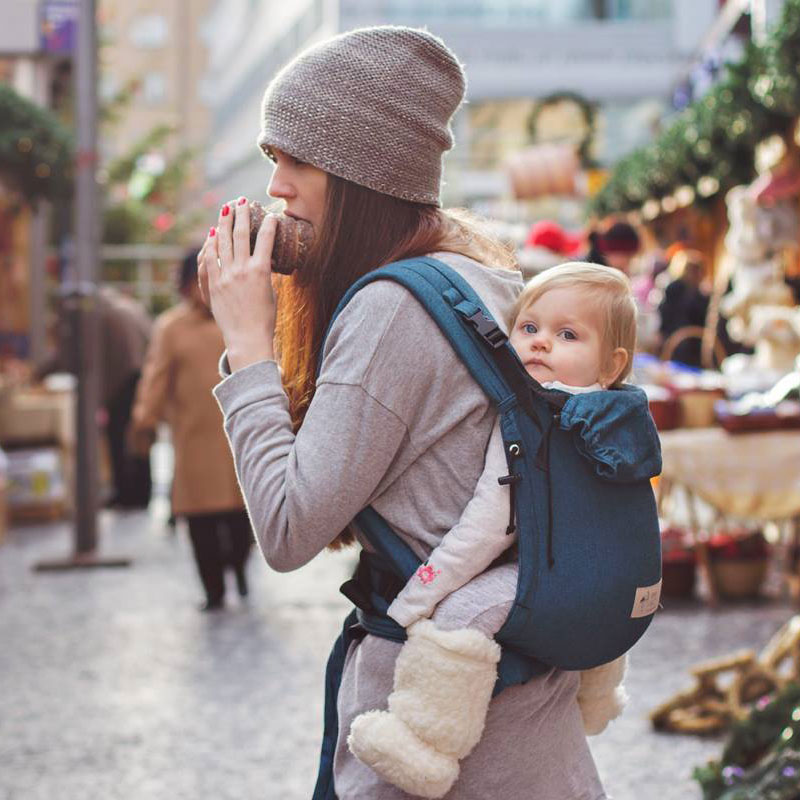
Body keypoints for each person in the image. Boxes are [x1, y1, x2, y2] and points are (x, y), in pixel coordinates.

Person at [200, 26, 608, 798]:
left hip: (449, 754)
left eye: (296, 160)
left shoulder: (390, 310)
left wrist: (250, 346)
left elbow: (287, 532)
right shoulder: (476, 276)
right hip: (529, 726)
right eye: (271, 160)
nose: (277, 187)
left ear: (359, 177)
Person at [347, 262, 634, 796]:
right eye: (529, 328)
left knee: (463, 616)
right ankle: (597, 699)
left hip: (552, 573)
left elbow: (490, 524)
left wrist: (417, 598)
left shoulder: (540, 418)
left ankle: (425, 745)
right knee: (601, 606)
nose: (542, 343)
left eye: (567, 335)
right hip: (615, 575)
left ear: (612, 362)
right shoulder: (620, 410)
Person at [130, 251, 252, 611]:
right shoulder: (171, 327)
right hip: (193, 439)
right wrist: (144, 420)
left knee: (239, 515)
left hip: (237, 437)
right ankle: (214, 590)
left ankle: (240, 573)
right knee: (201, 521)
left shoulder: (240, 320)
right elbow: (156, 377)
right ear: (184, 286)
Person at [657, 249, 711, 367]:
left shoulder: (701, 293)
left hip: (694, 342)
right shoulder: (675, 288)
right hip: (675, 339)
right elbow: (666, 312)